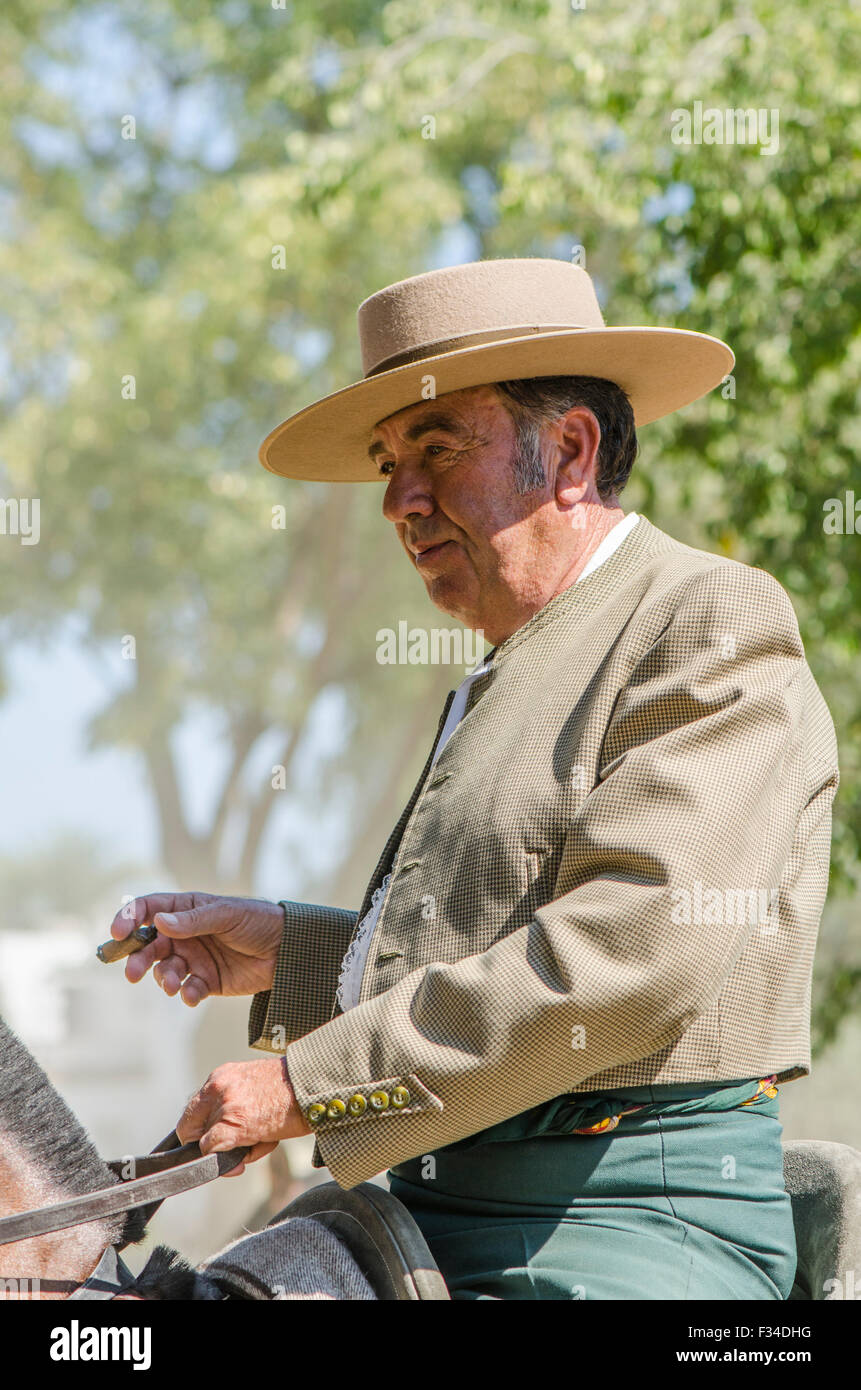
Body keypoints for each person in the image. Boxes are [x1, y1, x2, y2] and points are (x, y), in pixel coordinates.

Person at [111, 258, 839, 1299]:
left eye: (438, 448)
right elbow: (493, 932)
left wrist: (312, 1087)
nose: (400, 501)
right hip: (420, 1210)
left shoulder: (707, 618)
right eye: (387, 464)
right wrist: (294, 956)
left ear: (572, 454)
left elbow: (630, 953)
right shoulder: (511, 660)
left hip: (618, 1232)